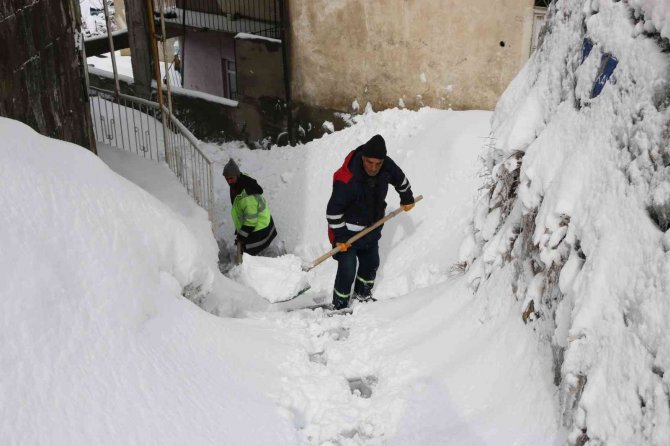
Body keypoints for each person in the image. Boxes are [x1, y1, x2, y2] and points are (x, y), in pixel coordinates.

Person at [326, 134, 415, 310]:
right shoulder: (347, 179)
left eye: (378, 164)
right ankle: (340, 305)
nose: (373, 168)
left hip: (372, 228)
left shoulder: (386, 166)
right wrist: (341, 237)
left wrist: (407, 197)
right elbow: (333, 213)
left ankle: (362, 295)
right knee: (348, 269)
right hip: (347, 233)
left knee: (371, 263)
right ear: (362, 158)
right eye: (369, 162)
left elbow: (401, 179)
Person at [223, 159, 277, 256]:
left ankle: (251, 268)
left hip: (260, 227)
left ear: (237, 175)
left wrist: (241, 237)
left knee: (247, 252)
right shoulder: (241, 180)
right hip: (259, 221)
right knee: (244, 247)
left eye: (231, 178)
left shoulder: (247, 197)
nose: (229, 181)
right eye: (227, 179)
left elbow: (251, 221)